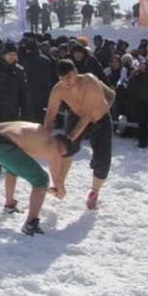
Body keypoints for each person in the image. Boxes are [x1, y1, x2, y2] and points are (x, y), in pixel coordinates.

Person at [43, 59, 116, 210]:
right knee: (65, 151)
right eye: (62, 79)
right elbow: (50, 114)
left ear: (75, 71)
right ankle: (59, 184)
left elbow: (87, 116)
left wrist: (69, 139)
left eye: (68, 77)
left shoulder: (89, 81)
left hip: (99, 118)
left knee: (102, 160)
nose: (66, 82)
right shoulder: (58, 89)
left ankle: (94, 193)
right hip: (76, 115)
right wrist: (45, 137)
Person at [0, 121, 72, 235]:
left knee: (13, 169)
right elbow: (57, 181)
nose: (60, 156)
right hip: (3, 144)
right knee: (42, 179)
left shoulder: (40, 132)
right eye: (62, 154)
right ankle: (31, 224)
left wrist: (47, 189)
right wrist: (61, 192)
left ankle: (9, 205)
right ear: (62, 148)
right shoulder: (54, 146)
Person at [0, 42, 28, 173]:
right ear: (4, 55)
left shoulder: (20, 70)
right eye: (10, 54)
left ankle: (9, 164)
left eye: (14, 54)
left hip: (13, 111)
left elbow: (23, 93)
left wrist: (24, 112)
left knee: (12, 139)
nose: (13, 56)